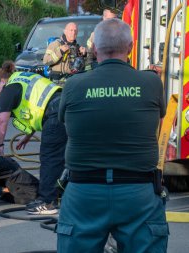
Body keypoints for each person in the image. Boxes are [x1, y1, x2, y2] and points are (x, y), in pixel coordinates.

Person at [57, 19, 168, 252]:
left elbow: (65, 123)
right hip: (138, 192)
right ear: (130, 47)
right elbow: (157, 121)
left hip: (84, 191)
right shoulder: (150, 82)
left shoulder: (74, 85)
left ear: (95, 49)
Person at [0, 61, 67, 215]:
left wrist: (0, 147)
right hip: (66, 108)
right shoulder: (23, 79)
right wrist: (28, 135)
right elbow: (37, 103)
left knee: (49, 159)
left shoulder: (8, 88)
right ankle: (66, 195)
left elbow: (1, 121)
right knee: (65, 158)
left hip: (54, 115)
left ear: (2, 81)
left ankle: (47, 202)